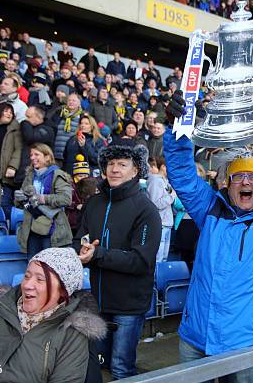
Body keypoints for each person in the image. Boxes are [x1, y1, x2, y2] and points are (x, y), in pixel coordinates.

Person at [164, 91, 253, 382]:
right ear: (227, 183)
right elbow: (181, 175)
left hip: (246, 344)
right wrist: (178, 130)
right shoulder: (210, 209)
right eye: (238, 176)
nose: (245, 181)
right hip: (196, 336)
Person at [0, 247, 107, 383]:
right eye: (27, 276)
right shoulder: (1, 309)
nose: (27, 285)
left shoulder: (71, 335)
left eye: (40, 279)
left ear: (63, 291)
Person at [76, 145, 161, 380]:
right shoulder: (94, 203)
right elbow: (79, 240)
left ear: (135, 172)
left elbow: (140, 261)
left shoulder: (146, 209)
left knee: (121, 368)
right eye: (111, 164)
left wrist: (98, 254)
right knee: (98, 364)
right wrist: (80, 252)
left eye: (122, 164)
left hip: (129, 306)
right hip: (99, 303)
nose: (115, 169)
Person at [14, 143, 73, 259]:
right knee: (33, 264)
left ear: (47, 157)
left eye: (36, 154)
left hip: (52, 231)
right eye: (31, 155)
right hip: (32, 230)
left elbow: (66, 198)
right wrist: (19, 198)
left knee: (50, 267)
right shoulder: (30, 175)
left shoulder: (57, 174)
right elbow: (21, 204)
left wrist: (42, 198)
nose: (32, 158)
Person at [147, 156, 175, 262]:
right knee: (158, 259)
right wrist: (172, 195)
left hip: (167, 223)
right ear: (163, 167)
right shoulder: (155, 180)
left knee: (163, 259)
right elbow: (156, 204)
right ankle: (154, 279)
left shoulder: (165, 181)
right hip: (160, 224)